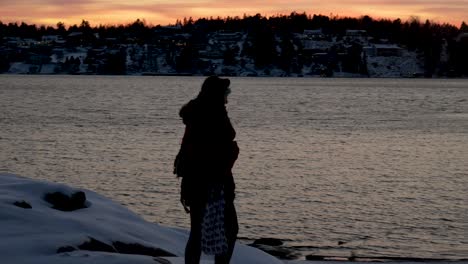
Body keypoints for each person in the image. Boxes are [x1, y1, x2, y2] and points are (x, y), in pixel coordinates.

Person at [175, 76, 239, 264]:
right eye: (226, 92)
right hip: (213, 181)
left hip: (195, 181)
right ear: (217, 94)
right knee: (230, 228)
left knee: (198, 230)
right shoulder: (214, 114)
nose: (228, 96)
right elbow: (217, 149)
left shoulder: (198, 113)